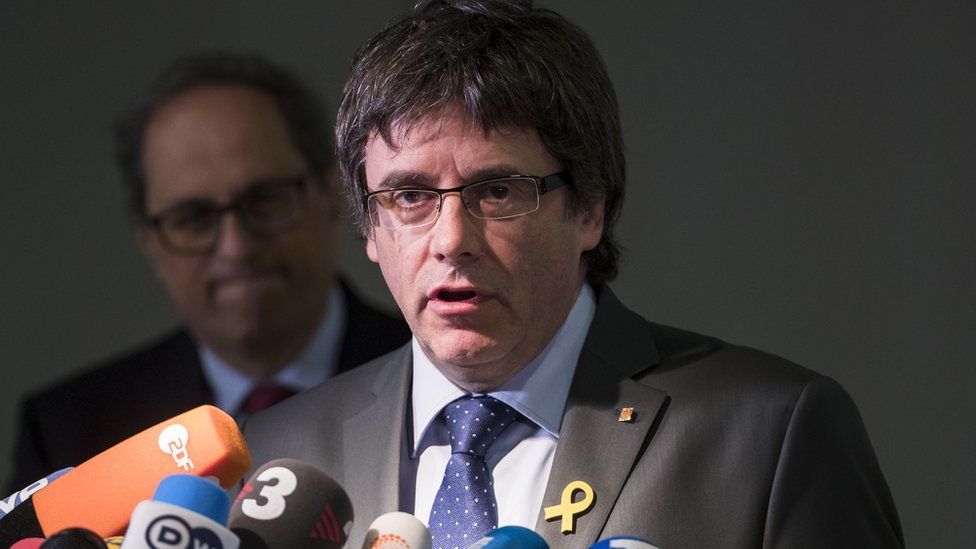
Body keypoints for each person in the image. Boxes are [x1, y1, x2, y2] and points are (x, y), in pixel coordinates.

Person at [243, 2, 904, 547]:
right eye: (410, 196)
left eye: (498, 190)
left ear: (590, 207)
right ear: (370, 226)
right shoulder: (278, 452)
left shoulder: (770, 432)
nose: (450, 240)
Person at [7, 52, 410, 491]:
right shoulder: (72, 435)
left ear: (332, 193)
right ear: (151, 242)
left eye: (265, 200)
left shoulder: (442, 384)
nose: (236, 247)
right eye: (193, 218)